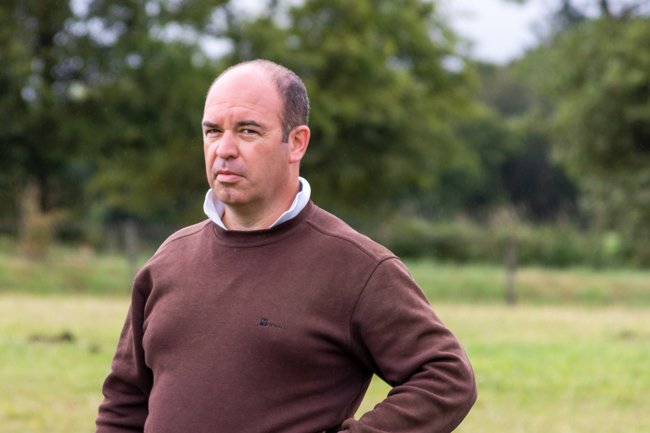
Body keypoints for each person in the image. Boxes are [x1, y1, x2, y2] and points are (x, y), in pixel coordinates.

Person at [95, 59, 476, 433]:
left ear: (296, 143)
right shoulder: (170, 259)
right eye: (213, 131)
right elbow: (124, 403)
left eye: (247, 131)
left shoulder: (358, 267)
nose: (224, 149)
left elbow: (446, 378)